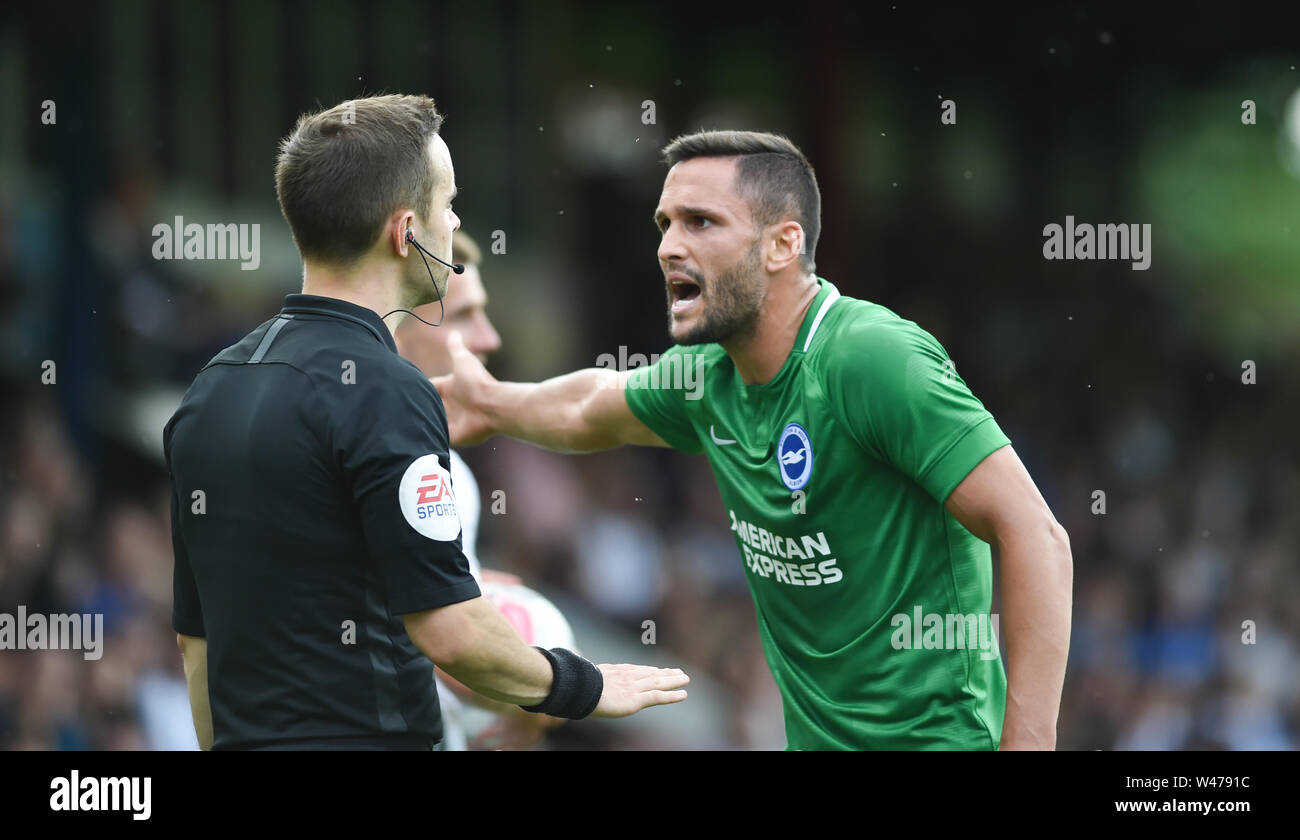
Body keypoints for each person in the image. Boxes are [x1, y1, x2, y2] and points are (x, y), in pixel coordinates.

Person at [434, 130, 1073, 750]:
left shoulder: (869, 357)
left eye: (701, 222)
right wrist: (489, 403)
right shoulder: (711, 377)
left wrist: (1030, 743)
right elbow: (588, 406)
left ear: (781, 245)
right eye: (665, 225)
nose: (668, 247)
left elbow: (1037, 535)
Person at [164, 94, 688, 750]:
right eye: (448, 203)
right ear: (406, 231)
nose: (456, 221)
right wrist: (585, 685)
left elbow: (196, 640)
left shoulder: (209, 391)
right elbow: (452, 633)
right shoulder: (387, 389)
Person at [395, 229, 562, 750]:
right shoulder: (375, 461)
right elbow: (442, 644)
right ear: (398, 326)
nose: (489, 339)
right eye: (466, 315)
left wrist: (463, 586)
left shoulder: (453, 473)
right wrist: (541, 689)